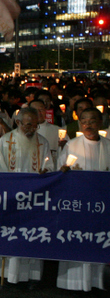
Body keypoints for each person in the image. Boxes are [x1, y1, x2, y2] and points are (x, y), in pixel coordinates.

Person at [0, 107, 53, 287]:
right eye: (27, 125)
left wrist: (45, 172)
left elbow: (50, 165)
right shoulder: (5, 141)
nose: (32, 129)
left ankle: (31, 277)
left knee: (32, 235)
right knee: (12, 235)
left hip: (35, 198)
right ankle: (10, 276)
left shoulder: (43, 142)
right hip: (12, 197)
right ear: (18, 123)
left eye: (35, 126)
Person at [56, 108, 108, 292]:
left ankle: (98, 281)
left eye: (92, 120)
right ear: (79, 124)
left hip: (101, 205)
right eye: (84, 121)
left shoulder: (108, 146)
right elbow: (59, 171)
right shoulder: (72, 145)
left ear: (100, 122)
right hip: (77, 204)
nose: (88, 124)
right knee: (77, 241)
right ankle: (73, 283)